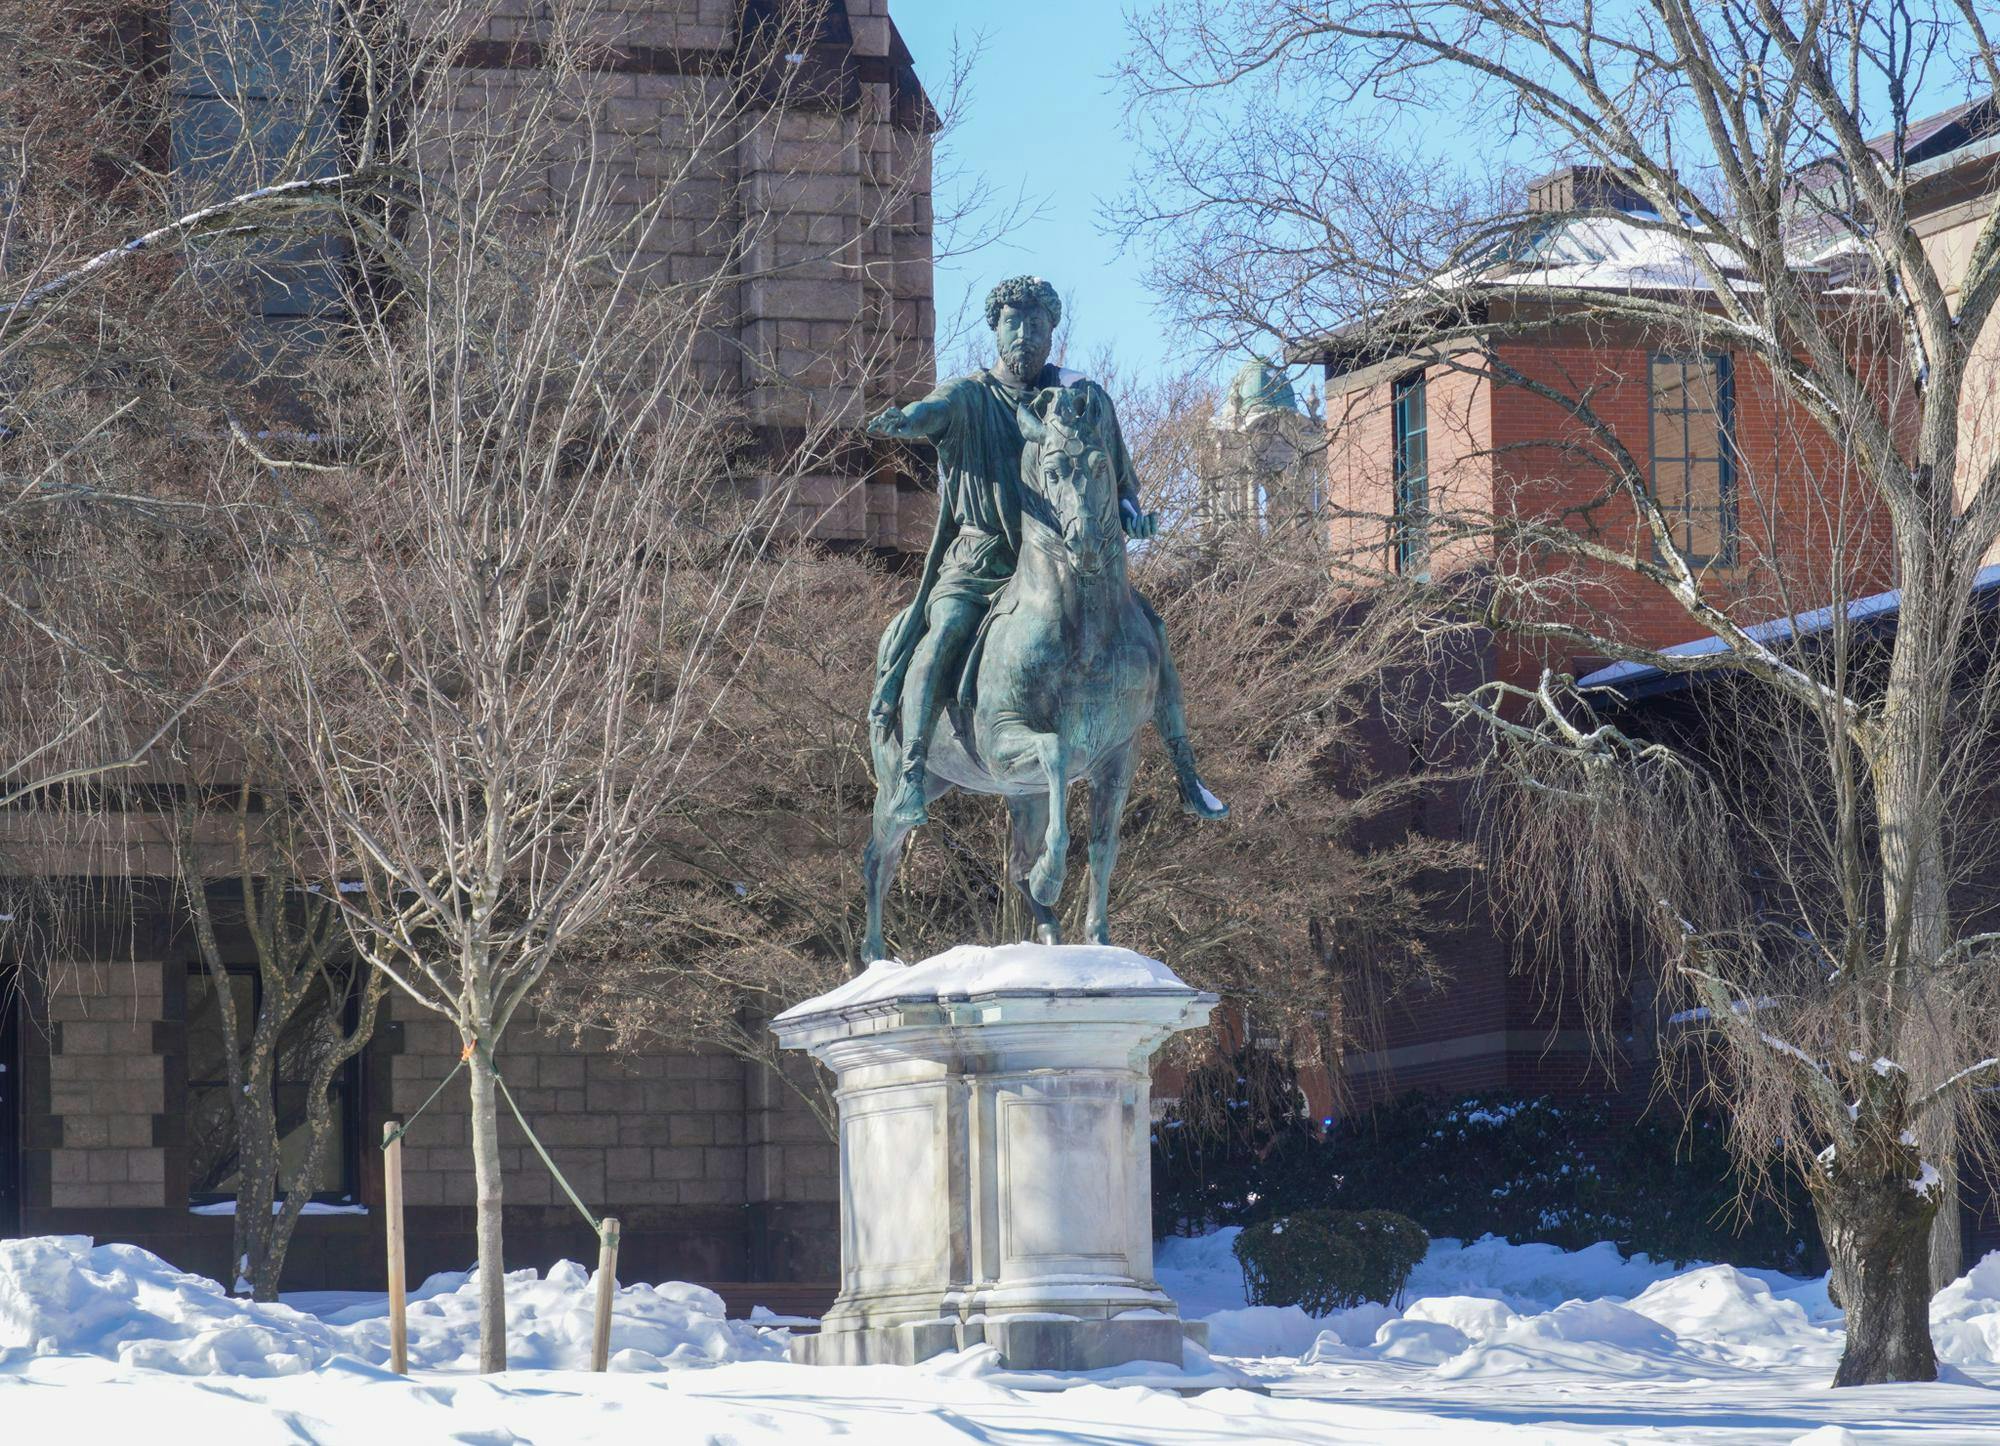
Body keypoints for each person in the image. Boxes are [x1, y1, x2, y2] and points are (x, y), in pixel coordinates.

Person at [866, 274, 1227, 828]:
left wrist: (1135, 518)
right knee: (943, 632)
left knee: (1151, 629)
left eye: (1037, 322)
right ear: (996, 328)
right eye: (1014, 321)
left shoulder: (1085, 401)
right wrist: (908, 420)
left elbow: (1118, 483)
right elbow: (932, 412)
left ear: (1052, 330)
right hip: (984, 558)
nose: (1025, 333)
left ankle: (1186, 771)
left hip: (1070, 564)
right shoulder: (971, 396)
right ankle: (912, 769)